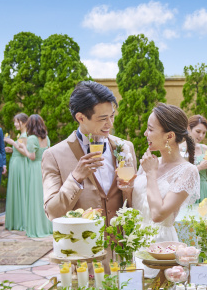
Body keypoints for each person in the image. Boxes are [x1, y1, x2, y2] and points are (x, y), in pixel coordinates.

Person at [42, 81, 137, 240]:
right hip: (83, 252)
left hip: (122, 251)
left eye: (112, 116)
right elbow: (52, 212)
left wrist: (128, 191)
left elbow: (135, 205)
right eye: (103, 119)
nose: (110, 124)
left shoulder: (125, 147)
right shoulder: (53, 155)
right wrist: (75, 178)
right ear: (81, 117)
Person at [125, 104, 200, 277]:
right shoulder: (150, 162)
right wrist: (126, 188)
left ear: (170, 136)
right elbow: (137, 204)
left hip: (161, 247)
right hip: (135, 242)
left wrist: (151, 174)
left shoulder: (187, 171)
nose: (145, 134)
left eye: (150, 129)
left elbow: (158, 214)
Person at [10, 115, 53, 237]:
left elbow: (32, 157)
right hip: (44, 168)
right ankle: (46, 227)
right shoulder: (46, 138)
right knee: (43, 198)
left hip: (34, 168)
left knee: (34, 198)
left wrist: (23, 147)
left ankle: (36, 229)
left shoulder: (32, 138)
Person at [3, 113, 29, 231]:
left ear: (23, 122)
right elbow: (19, 150)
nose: (15, 124)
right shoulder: (21, 135)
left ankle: (21, 220)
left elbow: (25, 153)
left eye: (16, 122)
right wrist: (12, 149)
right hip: (16, 163)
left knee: (20, 190)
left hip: (20, 165)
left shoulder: (25, 136)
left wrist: (12, 143)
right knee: (16, 190)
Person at [184, 115, 207, 202]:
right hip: (188, 192)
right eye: (198, 131)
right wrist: (200, 167)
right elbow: (181, 177)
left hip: (204, 189)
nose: (201, 136)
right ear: (188, 128)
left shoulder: (205, 149)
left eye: (204, 133)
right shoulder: (180, 149)